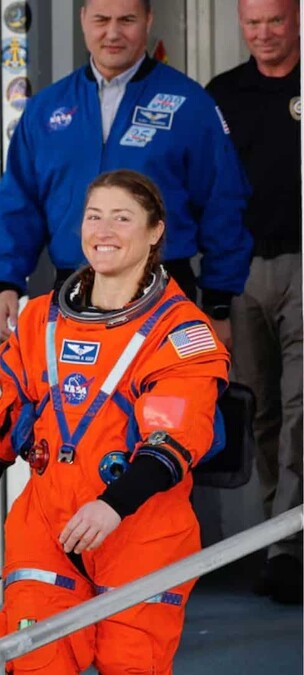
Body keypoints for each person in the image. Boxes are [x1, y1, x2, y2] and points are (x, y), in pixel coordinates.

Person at [0, 170, 229, 673]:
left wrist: (112, 506)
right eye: (93, 216)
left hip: (139, 532)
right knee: (34, 660)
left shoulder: (179, 332)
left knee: (131, 663)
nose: (103, 231)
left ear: (155, 231)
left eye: (122, 219)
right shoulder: (41, 320)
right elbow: (2, 414)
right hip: (47, 527)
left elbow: (171, 441)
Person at [0, 0, 251, 346]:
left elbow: (223, 203)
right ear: (83, 20)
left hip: (163, 293)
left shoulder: (189, 103)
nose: (112, 33)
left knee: (163, 384)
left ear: (148, 21)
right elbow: (18, 202)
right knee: (74, 384)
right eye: (101, 20)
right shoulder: (46, 109)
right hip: (73, 294)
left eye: (126, 20)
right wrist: (6, 282)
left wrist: (218, 303)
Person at [206, 0, 302, 605]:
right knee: (262, 410)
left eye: (276, 21)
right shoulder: (222, 95)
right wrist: (214, 294)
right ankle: (280, 537)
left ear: (297, 20)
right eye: (253, 23)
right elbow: (204, 186)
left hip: (302, 263)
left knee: (300, 409)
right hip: (241, 272)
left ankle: (287, 550)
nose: (263, 34)